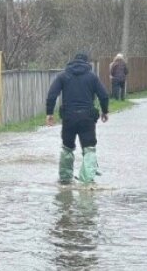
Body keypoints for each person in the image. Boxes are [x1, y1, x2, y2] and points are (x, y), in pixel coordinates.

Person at [46, 52, 109, 184]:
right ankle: (86, 181)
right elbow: (103, 95)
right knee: (89, 148)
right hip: (87, 118)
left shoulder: (63, 76)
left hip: (68, 118)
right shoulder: (92, 77)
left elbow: (52, 95)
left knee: (67, 147)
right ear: (87, 63)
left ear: (72, 62)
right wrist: (104, 111)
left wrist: (49, 113)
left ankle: (65, 178)